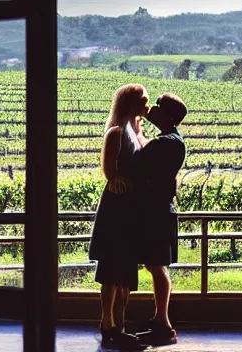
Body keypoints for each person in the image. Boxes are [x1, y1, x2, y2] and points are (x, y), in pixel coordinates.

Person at [88, 83, 149, 350]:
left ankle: (117, 324)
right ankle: (109, 323)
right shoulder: (117, 131)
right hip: (118, 207)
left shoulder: (133, 131)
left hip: (127, 206)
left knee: (122, 268)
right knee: (113, 268)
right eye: (144, 101)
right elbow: (109, 171)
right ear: (131, 103)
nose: (148, 105)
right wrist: (118, 179)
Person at [131, 93, 188, 346]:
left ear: (168, 115)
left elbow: (136, 162)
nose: (152, 108)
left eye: (158, 106)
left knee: (156, 266)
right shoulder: (172, 140)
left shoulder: (165, 143)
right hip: (160, 210)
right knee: (156, 266)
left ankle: (163, 323)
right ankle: (160, 321)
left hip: (155, 212)